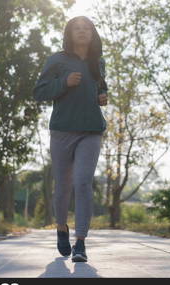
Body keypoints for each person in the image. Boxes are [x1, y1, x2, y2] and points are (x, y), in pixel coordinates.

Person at [32, 15, 108, 262]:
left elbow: (100, 87)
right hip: (63, 130)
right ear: (69, 33)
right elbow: (39, 92)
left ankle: (81, 243)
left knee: (83, 182)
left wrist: (102, 95)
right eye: (77, 28)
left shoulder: (99, 62)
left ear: (93, 33)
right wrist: (64, 82)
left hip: (91, 130)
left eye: (87, 28)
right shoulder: (57, 60)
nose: (83, 31)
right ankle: (62, 227)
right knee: (63, 187)